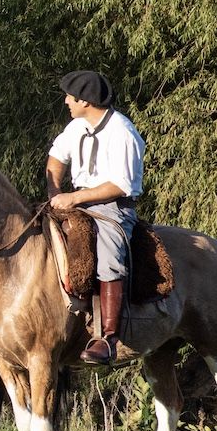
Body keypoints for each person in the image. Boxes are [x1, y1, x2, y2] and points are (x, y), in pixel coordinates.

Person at [45, 70, 146, 365]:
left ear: (85, 101)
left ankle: (108, 337)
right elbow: (56, 156)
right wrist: (54, 191)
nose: (66, 101)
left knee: (108, 252)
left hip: (113, 205)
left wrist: (74, 198)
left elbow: (120, 184)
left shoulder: (122, 132)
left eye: (70, 97)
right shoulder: (77, 125)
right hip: (75, 199)